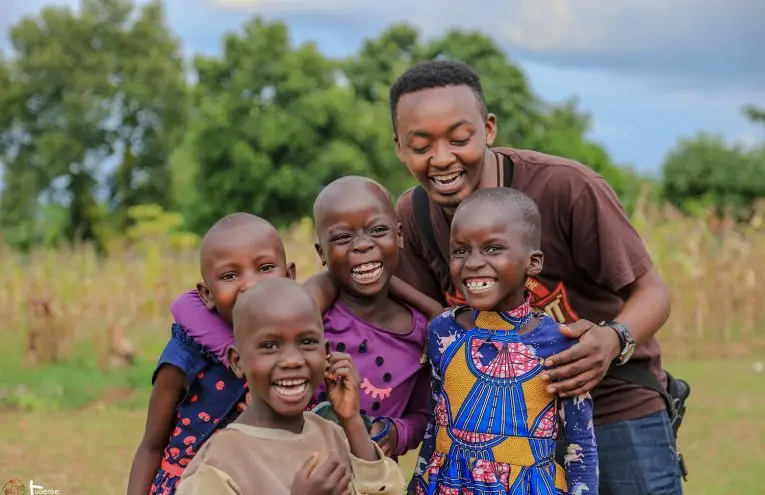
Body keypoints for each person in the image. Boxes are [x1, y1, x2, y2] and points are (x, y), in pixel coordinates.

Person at [390, 60, 681, 494]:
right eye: (421, 145)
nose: (442, 158)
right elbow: (432, 324)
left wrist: (612, 340)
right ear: (399, 148)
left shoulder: (566, 189)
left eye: (459, 138)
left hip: (614, 404)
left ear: (488, 129)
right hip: (506, 431)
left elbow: (651, 291)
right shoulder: (414, 218)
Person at [171, 176, 437, 459]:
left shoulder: (422, 333)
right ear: (321, 253)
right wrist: (248, 368)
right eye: (342, 237)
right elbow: (186, 305)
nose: (361, 245)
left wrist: (397, 433)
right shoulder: (310, 311)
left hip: (369, 477)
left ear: (399, 236)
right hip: (290, 468)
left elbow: (422, 414)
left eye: (378, 230)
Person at [410, 187, 598, 494]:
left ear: (533, 263)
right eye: (460, 251)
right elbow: (436, 423)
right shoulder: (443, 331)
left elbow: (581, 447)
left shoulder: (561, 342)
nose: (472, 262)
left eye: (493, 249)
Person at [127, 213, 318, 495]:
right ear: (207, 295)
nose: (251, 283)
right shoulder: (185, 354)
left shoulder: (301, 349)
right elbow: (151, 445)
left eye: (265, 267)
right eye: (230, 275)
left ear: (290, 276)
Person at [176, 278, 406, 494]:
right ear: (238, 361)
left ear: (325, 353)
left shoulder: (334, 435)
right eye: (269, 346)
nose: (292, 360)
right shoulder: (221, 461)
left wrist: (352, 420)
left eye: (307, 342)